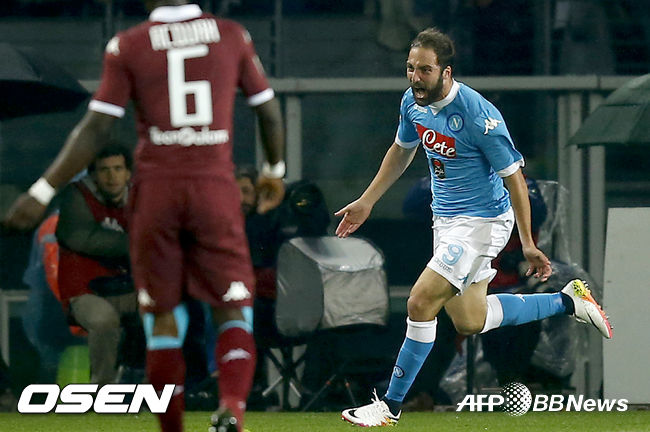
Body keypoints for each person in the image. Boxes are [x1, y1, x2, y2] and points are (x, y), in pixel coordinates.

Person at [2, 2, 285, 431]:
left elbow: (96, 127)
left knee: (162, 320)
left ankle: (171, 428)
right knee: (231, 309)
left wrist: (41, 191)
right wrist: (273, 172)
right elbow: (267, 110)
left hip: (156, 193)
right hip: (213, 189)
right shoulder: (232, 36)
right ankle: (231, 407)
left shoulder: (128, 45)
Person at [334, 28, 612, 427]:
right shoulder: (412, 102)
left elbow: (515, 179)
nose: (415, 77)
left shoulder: (479, 116)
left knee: (419, 303)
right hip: (446, 221)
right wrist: (367, 201)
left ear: (446, 72)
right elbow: (401, 150)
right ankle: (569, 301)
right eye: (410, 68)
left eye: (425, 70)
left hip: (482, 223)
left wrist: (528, 243)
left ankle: (389, 406)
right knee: (470, 320)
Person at [56, 145, 140, 386]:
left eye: (118, 169)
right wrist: (137, 243)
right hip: (85, 291)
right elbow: (80, 237)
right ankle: (103, 388)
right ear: (93, 175)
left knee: (166, 308)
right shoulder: (76, 196)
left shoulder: (139, 198)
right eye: (104, 170)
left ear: (128, 173)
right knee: (104, 320)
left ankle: (152, 381)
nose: (112, 176)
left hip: (127, 287)